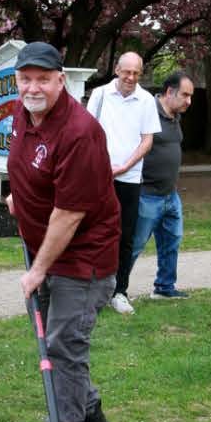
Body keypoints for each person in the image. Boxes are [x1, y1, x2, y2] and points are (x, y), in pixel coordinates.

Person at [2, 43, 124, 422]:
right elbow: (28, 167)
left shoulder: (80, 132)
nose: (33, 87)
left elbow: (70, 213)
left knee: (62, 345)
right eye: (25, 79)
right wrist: (18, 198)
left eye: (42, 79)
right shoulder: (22, 115)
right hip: (48, 251)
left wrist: (38, 269)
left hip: (83, 260)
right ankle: (88, 410)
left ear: (61, 80)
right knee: (62, 345)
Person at [90, 50, 161, 311]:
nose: (130, 77)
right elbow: (88, 132)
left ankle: (119, 291)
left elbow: (147, 140)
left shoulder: (145, 100)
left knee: (125, 235)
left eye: (136, 73)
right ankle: (90, 289)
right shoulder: (99, 95)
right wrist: (103, 166)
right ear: (117, 70)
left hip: (130, 179)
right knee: (95, 232)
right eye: (126, 71)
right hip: (99, 177)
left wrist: (125, 166)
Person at [136, 73, 194, 299]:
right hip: (147, 196)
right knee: (134, 246)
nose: (189, 101)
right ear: (169, 92)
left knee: (172, 242)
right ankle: (113, 291)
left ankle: (165, 288)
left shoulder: (174, 115)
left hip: (171, 195)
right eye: (185, 95)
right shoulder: (146, 111)